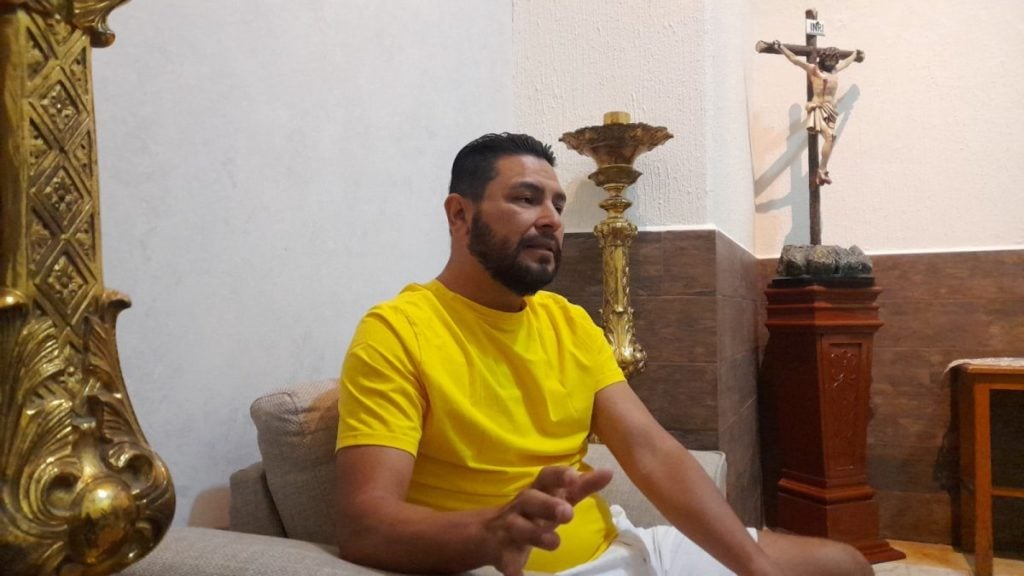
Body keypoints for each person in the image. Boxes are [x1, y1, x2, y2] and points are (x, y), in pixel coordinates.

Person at [334, 132, 872, 576]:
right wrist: (490, 530)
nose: (551, 219)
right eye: (525, 199)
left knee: (843, 565)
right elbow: (364, 525)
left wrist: (755, 567)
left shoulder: (568, 321)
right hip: (507, 565)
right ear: (459, 215)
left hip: (622, 547)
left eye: (557, 204)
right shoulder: (398, 332)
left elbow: (652, 452)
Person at [773, 41, 863, 186]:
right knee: (830, 136)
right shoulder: (815, 70)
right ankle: (822, 170)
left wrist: (854, 55)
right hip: (818, 109)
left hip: (831, 110)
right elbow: (795, 60)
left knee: (831, 138)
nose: (831, 63)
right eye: (828, 60)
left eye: (833, 60)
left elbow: (846, 63)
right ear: (823, 59)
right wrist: (781, 48)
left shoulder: (835, 70)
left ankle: (822, 169)